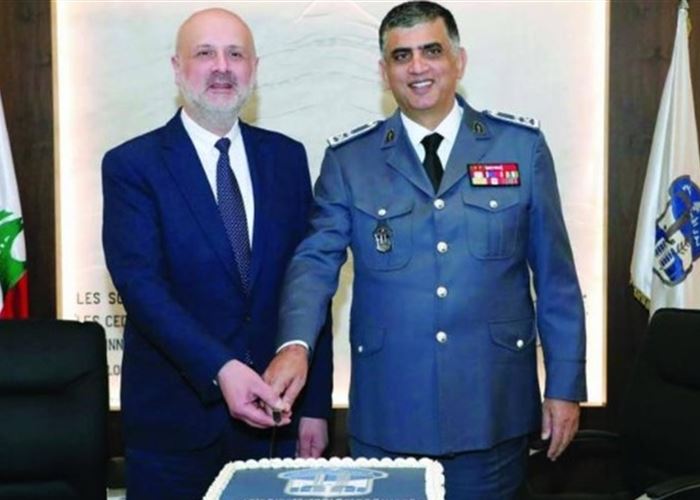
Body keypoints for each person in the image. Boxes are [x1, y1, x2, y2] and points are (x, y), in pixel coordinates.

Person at [265, 1, 586, 498]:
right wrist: (295, 345)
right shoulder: (350, 161)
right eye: (402, 56)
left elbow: (556, 279)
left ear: (459, 60)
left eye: (431, 51)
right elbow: (315, 262)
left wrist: (564, 385)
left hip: (490, 408)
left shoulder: (520, 148)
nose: (417, 67)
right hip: (390, 412)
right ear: (384, 71)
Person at [102, 8, 332, 500]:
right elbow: (141, 287)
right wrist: (221, 367)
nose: (222, 67)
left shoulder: (287, 158)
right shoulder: (132, 166)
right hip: (174, 430)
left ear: (254, 68)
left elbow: (307, 281)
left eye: (235, 54)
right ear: (177, 67)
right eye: (205, 53)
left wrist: (315, 406)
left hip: (275, 424)